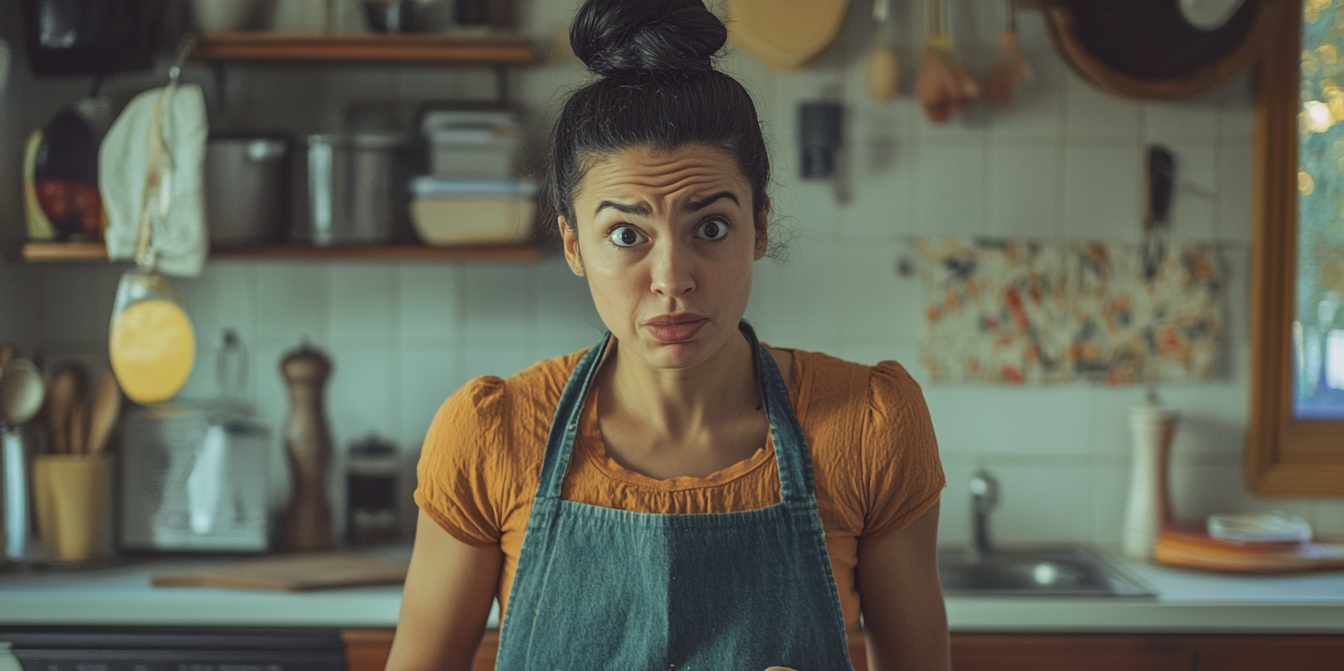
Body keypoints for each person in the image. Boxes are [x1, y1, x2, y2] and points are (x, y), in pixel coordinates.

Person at [385, 0, 949, 669]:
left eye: (709, 227)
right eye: (627, 234)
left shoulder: (872, 427)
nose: (672, 279)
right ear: (572, 243)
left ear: (760, 227)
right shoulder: (490, 437)